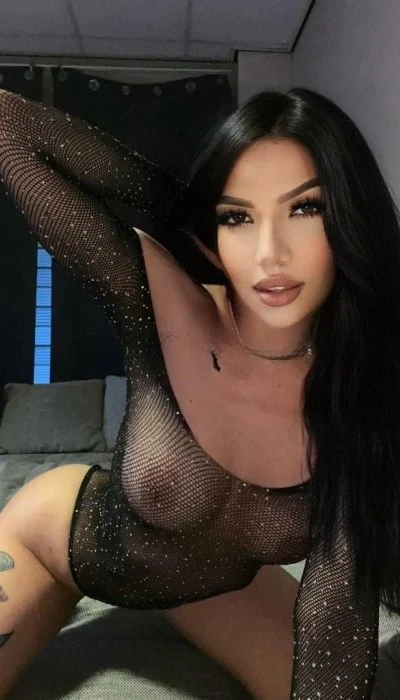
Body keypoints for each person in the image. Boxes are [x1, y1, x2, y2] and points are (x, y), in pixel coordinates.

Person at [0, 84, 399, 700]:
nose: (269, 254)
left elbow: (337, 616)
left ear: (350, 211)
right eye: (239, 217)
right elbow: (11, 128)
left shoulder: (361, 386)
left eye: (304, 208)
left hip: (220, 592)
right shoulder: (163, 302)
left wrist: (225, 207)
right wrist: (192, 204)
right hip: (64, 540)